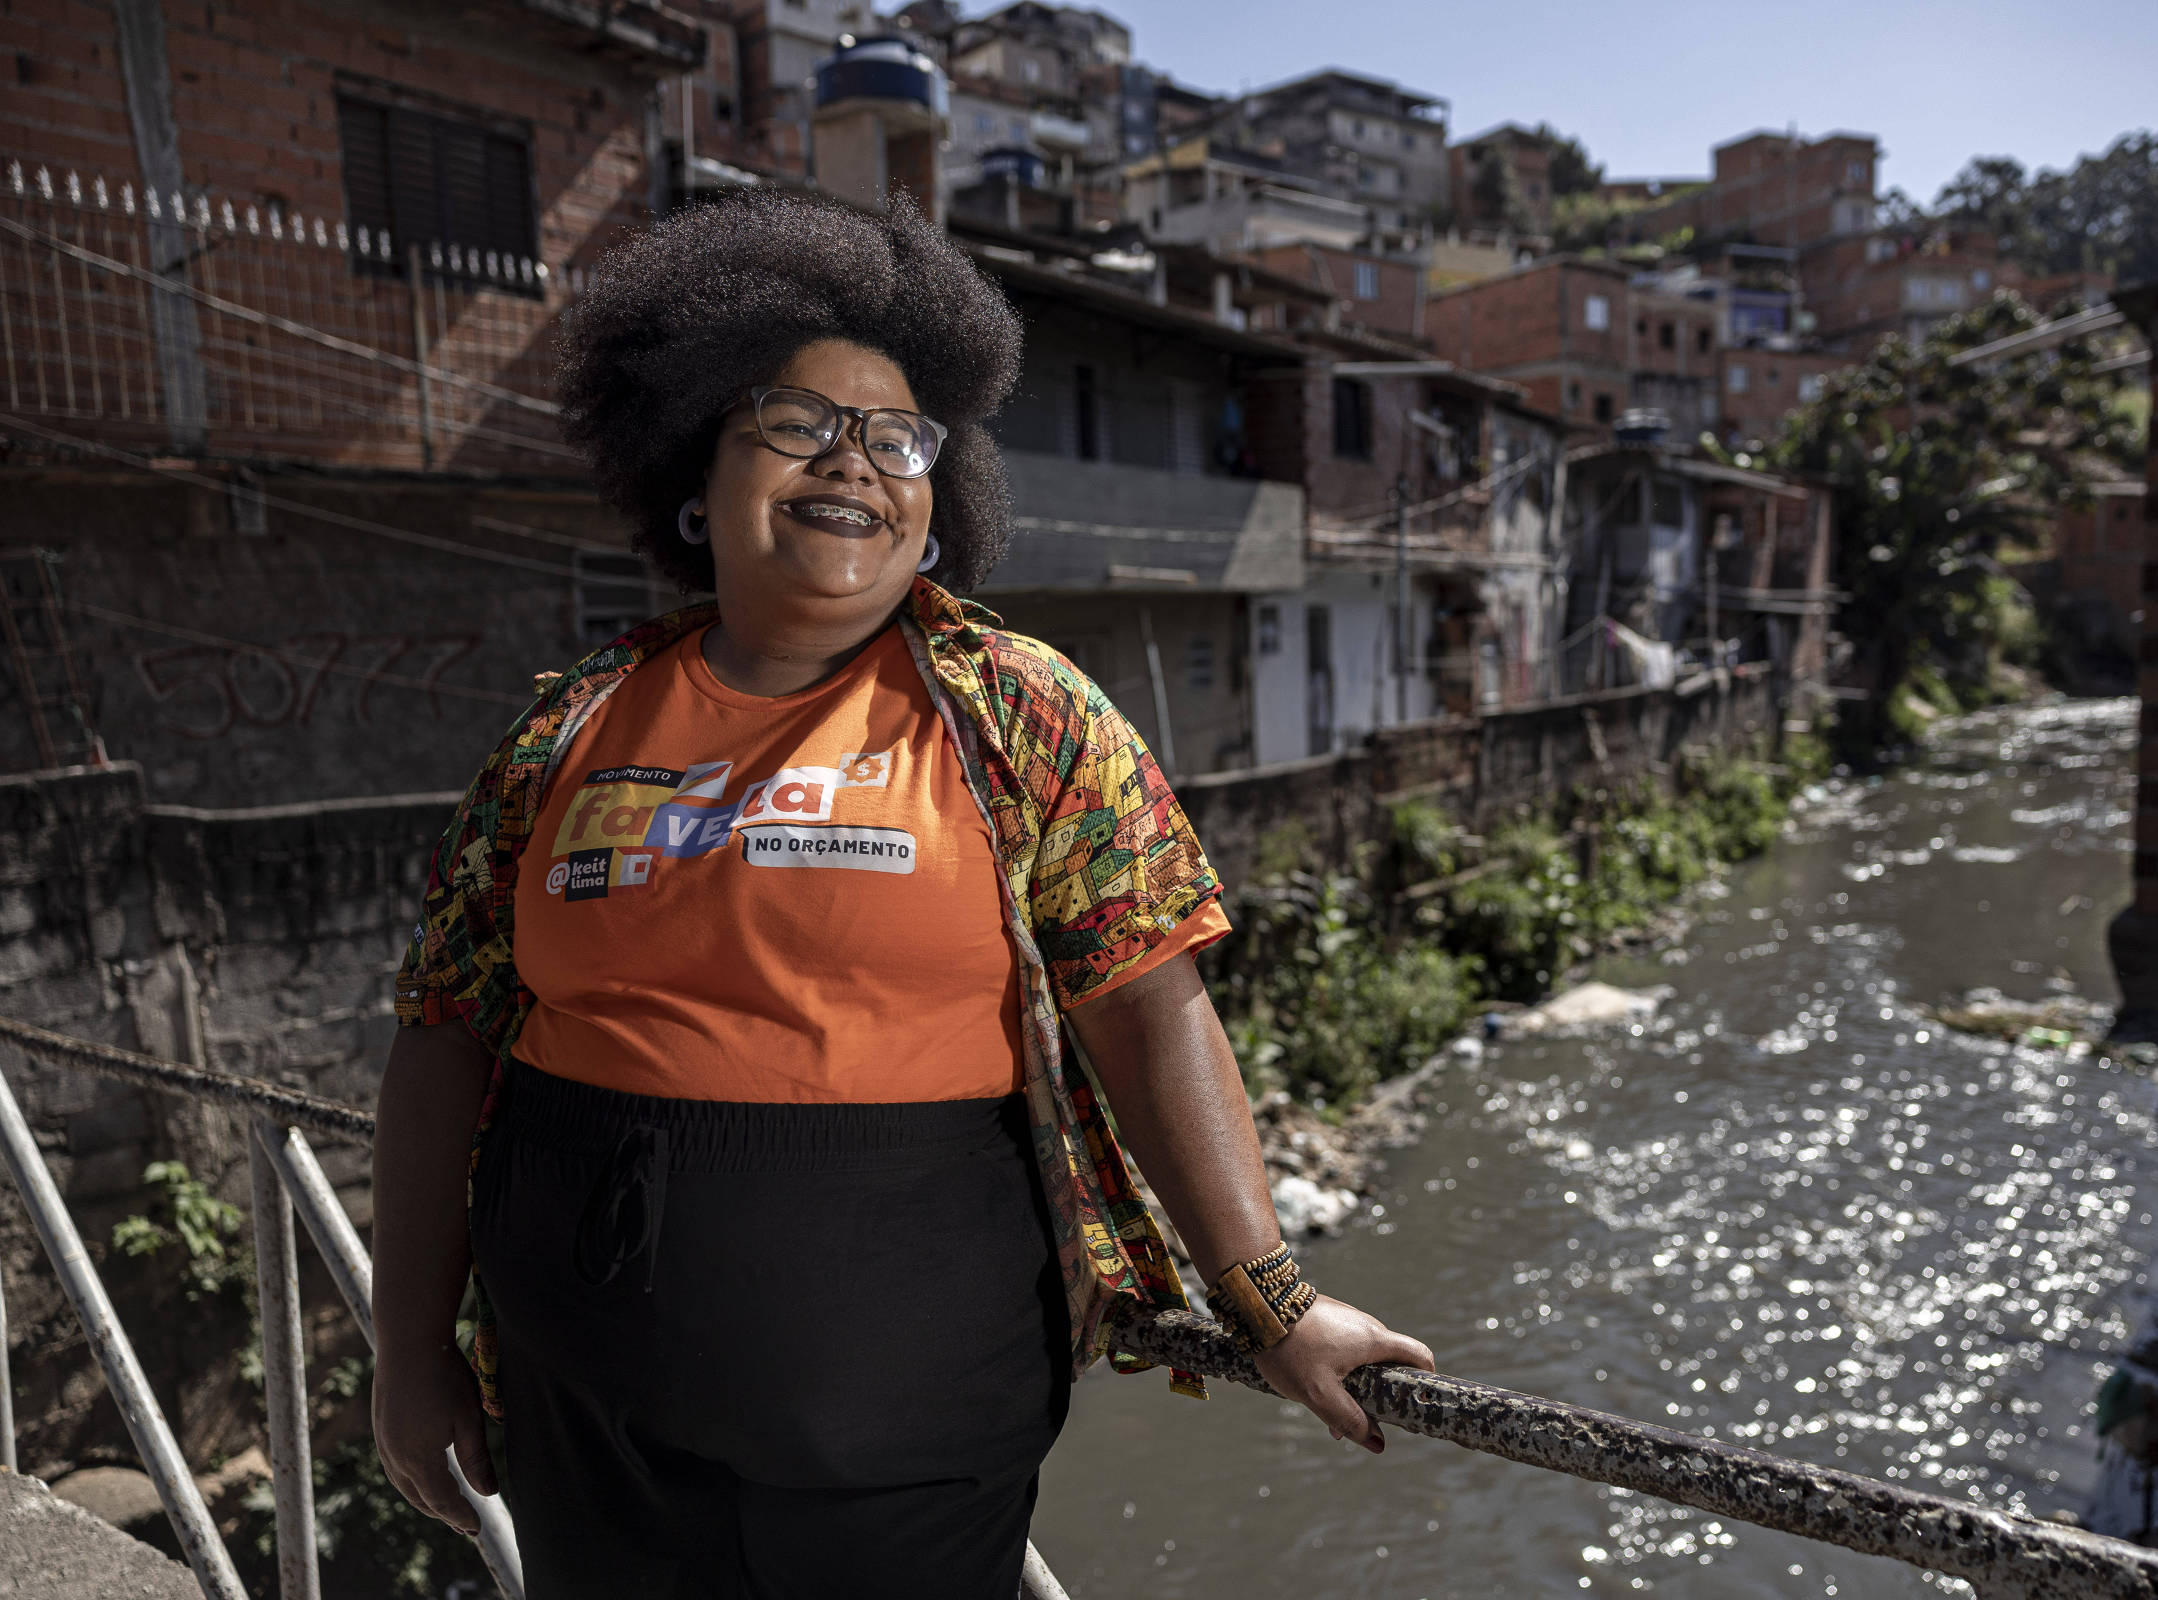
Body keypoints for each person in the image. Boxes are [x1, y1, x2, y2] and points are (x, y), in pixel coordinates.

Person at [368, 191, 1433, 1599]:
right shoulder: (562, 735)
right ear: (698, 469)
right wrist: (407, 1354)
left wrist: (1274, 1305)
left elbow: (1151, 1016)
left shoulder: (1021, 712)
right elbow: (442, 1040)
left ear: (939, 505)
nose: (854, 459)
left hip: (911, 1423)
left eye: (898, 437)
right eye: (798, 420)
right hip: (584, 1417)